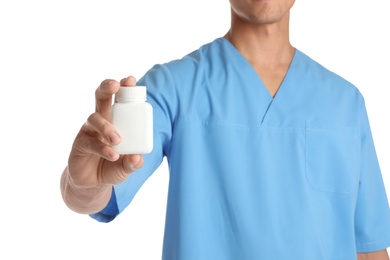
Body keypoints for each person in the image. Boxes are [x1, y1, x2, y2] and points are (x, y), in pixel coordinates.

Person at [60, 0, 390, 259]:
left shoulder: (345, 103)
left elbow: (368, 247)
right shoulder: (172, 89)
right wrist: (83, 180)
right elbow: (98, 190)